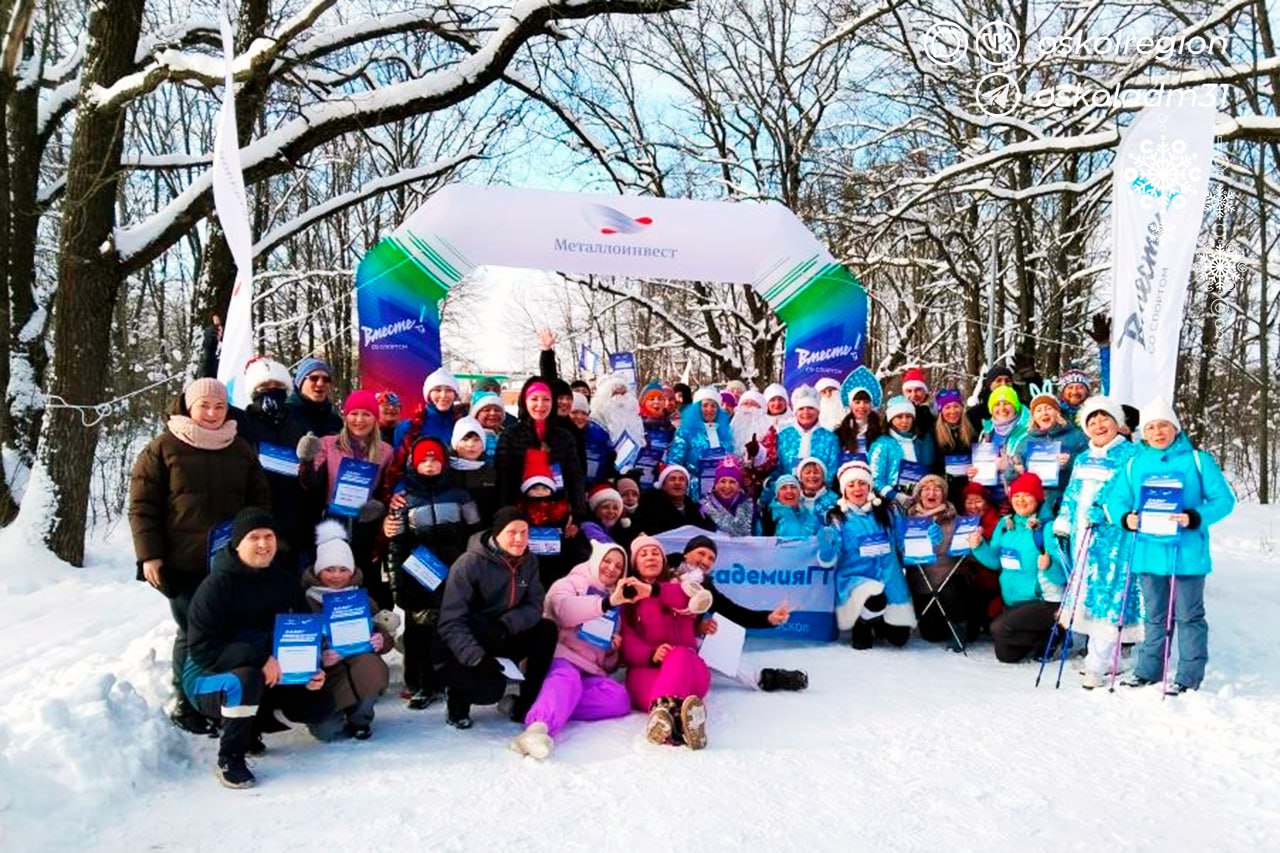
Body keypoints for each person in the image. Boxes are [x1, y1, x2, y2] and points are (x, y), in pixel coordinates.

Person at [129, 377, 271, 735]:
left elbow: (259, 501)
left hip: (233, 562)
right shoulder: (162, 449)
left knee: (233, 629)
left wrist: (258, 545)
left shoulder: (239, 449)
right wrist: (150, 555)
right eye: (204, 406)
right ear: (188, 407)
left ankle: (227, 696)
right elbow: (142, 507)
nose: (211, 413)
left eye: (219, 406)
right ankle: (187, 700)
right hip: (183, 563)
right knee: (194, 630)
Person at [183, 509, 344, 789]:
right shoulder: (216, 586)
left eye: (268, 536)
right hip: (208, 676)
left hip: (268, 670)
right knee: (246, 679)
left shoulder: (284, 581)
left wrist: (311, 666)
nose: (263, 544)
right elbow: (203, 650)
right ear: (237, 544)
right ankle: (230, 758)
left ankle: (252, 727)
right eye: (253, 537)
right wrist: (259, 657)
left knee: (318, 703)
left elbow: (304, 628)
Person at [1102, 397, 1235, 695]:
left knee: (1189, 615)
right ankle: (1149, 670)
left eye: (1163, 425)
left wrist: (1194, 516)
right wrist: (1126, 519)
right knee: (1155, 615)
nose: (1158, 432)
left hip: (1186, 553)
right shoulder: (1135, 463)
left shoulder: (1198, 460)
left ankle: (1189, 676)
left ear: (1175, 427)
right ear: (1143, 433)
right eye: (1151, 427)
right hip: (1148, 552)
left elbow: (1224, 501)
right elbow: (1115, 499)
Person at [510, 541, 638, 759]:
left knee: (619, 698)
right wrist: (605, 603)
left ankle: (533, 705)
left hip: (590, 670)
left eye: (618, 566)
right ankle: (537, 729)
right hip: (561, 657)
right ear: (596, 560)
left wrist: (611, 651)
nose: (612, 568)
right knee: (567, 678)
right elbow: (564, 612)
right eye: (607, 561)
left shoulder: (617, 602)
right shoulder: (570, 583)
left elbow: (607, 664)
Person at [435, 508, 558, 728]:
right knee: (489, 692)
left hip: (504, 631)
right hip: (474, 638)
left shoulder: (529, 561)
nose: (520, 539)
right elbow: (451, 622)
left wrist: (506, 624)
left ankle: (526, 704)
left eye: (524, 532)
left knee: (546, 630)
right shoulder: (469, 564)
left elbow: (535, 604)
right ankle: (458, 697)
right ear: (497, 533)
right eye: (512, 532)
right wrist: (477, 659)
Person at [1051, 396, 1142, 689]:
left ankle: (1097, 665)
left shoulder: (1130, 455)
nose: (1099, 425)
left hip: (1113, 537)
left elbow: (1127, 495)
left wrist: (1103, 511)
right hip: (1082, 535)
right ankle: (1104, 656)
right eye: (1092, 421)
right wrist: (1063, 522)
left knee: (1107, 595)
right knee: (1086, 593)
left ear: (1118, 424)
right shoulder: (1083, 457)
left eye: (1105, 419)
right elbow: (1072, 493)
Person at [385, 436, 482, 708]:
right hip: (419, 575)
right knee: (419, 630)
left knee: (452, 626)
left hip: (455, 572)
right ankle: (420, 682)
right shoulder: (403, 500)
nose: (429, 465)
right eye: (423, 459)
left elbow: (476, 535)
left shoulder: (460, 496)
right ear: (414, 463)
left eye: (435, 459)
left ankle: (450, 680)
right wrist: (397, 584)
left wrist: (472, 572)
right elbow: (396, 544)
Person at [301, 521, 394, 738]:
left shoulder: (361, 598)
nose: (336, 576)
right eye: (329, 569)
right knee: (327, 733)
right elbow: (297, 642)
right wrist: (320, 657)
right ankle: (331, 716)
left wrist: (381, 639)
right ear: (318, 570)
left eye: (343, 569)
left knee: (370, 664)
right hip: (327, 674)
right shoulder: (306, 601)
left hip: (359, 664)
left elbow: (380, 627)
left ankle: (361, 717)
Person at [619, 536, 712, 749]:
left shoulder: (684, 585)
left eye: (655, 553)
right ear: (635, 563)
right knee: (655, 693)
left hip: (689, 668)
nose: (650, 557)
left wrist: (652, 590)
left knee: (679, 654)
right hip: (647, 670)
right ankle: (679, 722)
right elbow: (627, 639)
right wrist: (650, 653)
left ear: (663, 559)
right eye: (643, 554)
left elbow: (686, 599)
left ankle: (667, 718)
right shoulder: (627, 595)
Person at [969, 473, 1067, 663]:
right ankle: (1044, 638)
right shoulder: (1005, 525)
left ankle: (1057, 630)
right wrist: (978, 547)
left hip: (1043, 602)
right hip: (1013, 602)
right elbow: (995, 562)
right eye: (1016, 496)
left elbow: (1062, 574)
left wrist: (1049, 565)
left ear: (1038, 497)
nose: (1020, 500)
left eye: (1027, 495)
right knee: (1006, 655)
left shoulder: (1047, 527)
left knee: (998, 628)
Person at [829, 460, 915, 649]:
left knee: (899, 639)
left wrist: (926, 541)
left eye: (861, 483)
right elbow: (832, 553)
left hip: (889, 578)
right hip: (856, 577)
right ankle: (863, 622)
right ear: (844, 490)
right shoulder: (837, 517)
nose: (857, 489)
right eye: (851, 485)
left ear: (869, 486)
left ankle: (879, 620)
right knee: (874, 597)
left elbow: (904, 540)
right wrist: (827, 543)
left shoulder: (889, 511)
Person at [235, 357, 314, 561]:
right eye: (264, 385)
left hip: (295, 520)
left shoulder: (299, 426)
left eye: (277, 385)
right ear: (253, 391)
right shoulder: (242, 424)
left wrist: (308, 464)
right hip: (257, 522)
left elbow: (311, 481)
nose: (271, 389)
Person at [297, 389, 392, 541]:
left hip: (366, 527)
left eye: (366, 414)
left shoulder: (386, 451)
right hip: (332, 523)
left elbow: (387, 490)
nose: (359, 420)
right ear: (346, 417)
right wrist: (306, 460)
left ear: (375, 419)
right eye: (354, 413)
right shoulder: (327, 444)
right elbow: (311, 484)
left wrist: (379, 508)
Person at [494, 377, 586, 518]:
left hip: (558, 512)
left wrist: (577, 515)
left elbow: (574, 478)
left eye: (546, 399)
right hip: (520, 513)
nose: (540, 405)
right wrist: (506, 516)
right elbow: (503, 480)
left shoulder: (565, 436)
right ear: (525, 401)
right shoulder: (510, 435)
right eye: (534, 399)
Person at [901, 474, 969, 647]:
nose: (932, 493)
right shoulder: (907, 519)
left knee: (956, 587)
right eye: (926, 489)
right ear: (919, 494)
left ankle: (960, 626)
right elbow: (900, 552)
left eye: (937, 489)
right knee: (932, 634)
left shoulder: (956, 519)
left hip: (951, 582)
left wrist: (974, 542)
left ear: (944, 495)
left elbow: (968, 555)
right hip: (922, 583)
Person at [1008, 382, 1087, 513]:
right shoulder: (1025, 441)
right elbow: (1011, 475)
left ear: (1057, 412)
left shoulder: (1077, 436)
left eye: (1048, 408)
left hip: (1068, 500)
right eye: (1039, 410)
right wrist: (1016, 470)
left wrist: (1071, 461)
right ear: (1034, 416)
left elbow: (1089, 463)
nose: (1044, 413)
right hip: (1036, 506)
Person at [665, 387, 734, 501]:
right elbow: (674, 462)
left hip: (721, 489)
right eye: (705, 405)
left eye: (713, 406)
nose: (709, 409)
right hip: (694, 490)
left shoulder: (724, 432)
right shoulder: (685, 431)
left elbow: (730, 458)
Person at [869, 395, 936, 505]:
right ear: (891, 419)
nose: (904, 421)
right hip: (891, 504)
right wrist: (895, 496)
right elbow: (875, 478)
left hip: (920, 502)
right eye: (899, 417)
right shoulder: (882, 444)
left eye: (908, 416)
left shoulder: (918, 442)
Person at [775, 385, 839, 484]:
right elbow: (778, 467)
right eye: (801, 409)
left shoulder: (829, 438)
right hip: (788, 491)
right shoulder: (784, 436)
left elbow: (832, 469)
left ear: (818, 412)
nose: (806, 412)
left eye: (810, 408)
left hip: (820, 492)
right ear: (795, 413)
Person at [633, 464, 714, 534]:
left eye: (682, 479)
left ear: (686, 485)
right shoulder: (649, 508)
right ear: (663, 485)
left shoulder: (696, 509)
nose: (677, 483)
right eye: (672, 479)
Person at [932, 386, 977, 509]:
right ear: (941, 411)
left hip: (968, 485)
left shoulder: (971, 429)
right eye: (947, 407)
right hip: (945, 487)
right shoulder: (933, 432)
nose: (953, 411)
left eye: (956, 406)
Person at [450, 415, 498, 526]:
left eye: (476, 440)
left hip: (483, 533)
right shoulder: (445, 472)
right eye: (465, 439)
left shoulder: (492, 472)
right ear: (455, 444)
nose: (471, 445)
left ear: (483, 445)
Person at [287, 357, 345, 439]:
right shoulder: (285, 415)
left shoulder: (335, 421)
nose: (320, 383)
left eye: (326, 379)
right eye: (314, 378)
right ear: (300, 383)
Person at [699, 456, 757, 536]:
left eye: (732, 482)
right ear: (715, 484)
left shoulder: (750, 506)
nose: (727, 486)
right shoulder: (702, 509)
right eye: (722, 481)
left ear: (739, 486)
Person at [836, 366, 885, 458]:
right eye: (857, 402)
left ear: (872, 405)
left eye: (866, 402)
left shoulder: (880, 432)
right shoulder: (840, 433)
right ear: (850, 405)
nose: (862, 406)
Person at [570, 392, 617, 486]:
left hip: (594, 486)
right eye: (574, 412)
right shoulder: (561, 435)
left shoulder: (598, 434)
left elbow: (610, 459)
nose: (579, 417)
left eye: (584, 413)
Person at [580, 482, 636, 551]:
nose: (611, 511)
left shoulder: (618, 530)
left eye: (615, 508)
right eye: (605, 507)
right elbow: (612, 550)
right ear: (595, 509)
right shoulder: (589, 527)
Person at [966, 364, 1015, 434]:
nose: (1004, 384)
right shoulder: (975, 414)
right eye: (999, 380)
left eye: (1007, 381)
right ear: (989, 384)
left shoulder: (1021, 409)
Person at [900, 366, 936, 439]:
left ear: (925, 391)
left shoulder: (936, 410)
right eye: (909, 391)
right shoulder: (898, 412)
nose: (914, 395)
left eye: (918, 390)